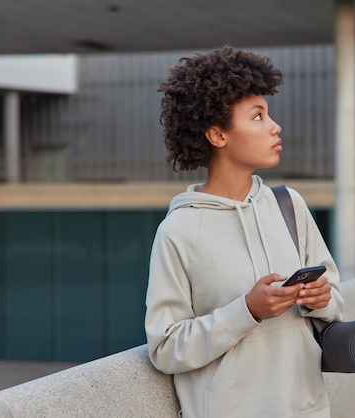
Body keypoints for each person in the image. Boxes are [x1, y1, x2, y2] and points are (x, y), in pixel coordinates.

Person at [145, 45, 344, 418]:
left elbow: (335, 302)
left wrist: (320, 297)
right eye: (257, 116)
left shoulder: (289, 205)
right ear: (218, 135)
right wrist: (247, 310)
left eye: (267, 113)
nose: (274, 126)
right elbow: (164, 348)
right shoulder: (179, 231)